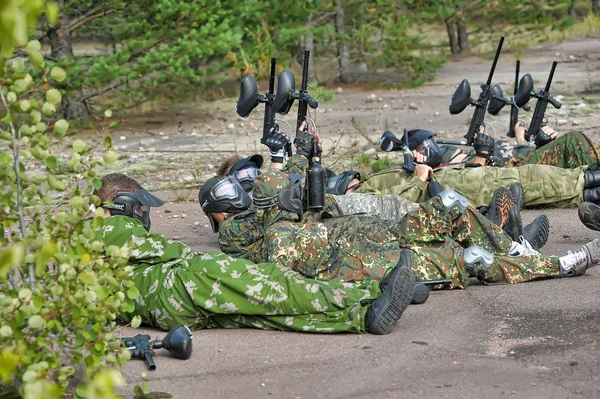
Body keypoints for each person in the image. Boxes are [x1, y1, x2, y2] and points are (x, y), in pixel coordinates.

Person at [94, 173, 416, 335]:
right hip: (177, 285)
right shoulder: (106, 227)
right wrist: (181, 251)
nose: (142, 215)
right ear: (118, 204)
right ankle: (367, 294)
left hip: (166, 307)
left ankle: (362, 318)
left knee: (265, 314)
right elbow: (167, 250)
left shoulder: (85, 251)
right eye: (138, 206)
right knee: (273, 284)